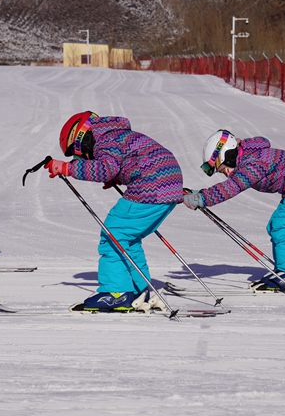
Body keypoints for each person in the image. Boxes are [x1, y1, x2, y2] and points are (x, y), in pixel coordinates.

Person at [46, 112, 183, 311]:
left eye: (77, 154)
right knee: (128, 238)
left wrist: (67, 168)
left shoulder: (105, 140)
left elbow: (106, 168)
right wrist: (120, 176)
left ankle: (116, 292)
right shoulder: (115, 135)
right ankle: (139, 290)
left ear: (81, 140)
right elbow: (128, 161)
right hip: (169, 184)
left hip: (151, 186)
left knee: (113, 235)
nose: (82, 158)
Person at [183, 130, 285, 291]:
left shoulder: (253, 163)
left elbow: (231, 187)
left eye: (223, 168)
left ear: (229, 155)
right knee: (277, 226)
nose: (225, 173)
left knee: (283, 225)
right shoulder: (248, 157)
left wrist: (202, 198)